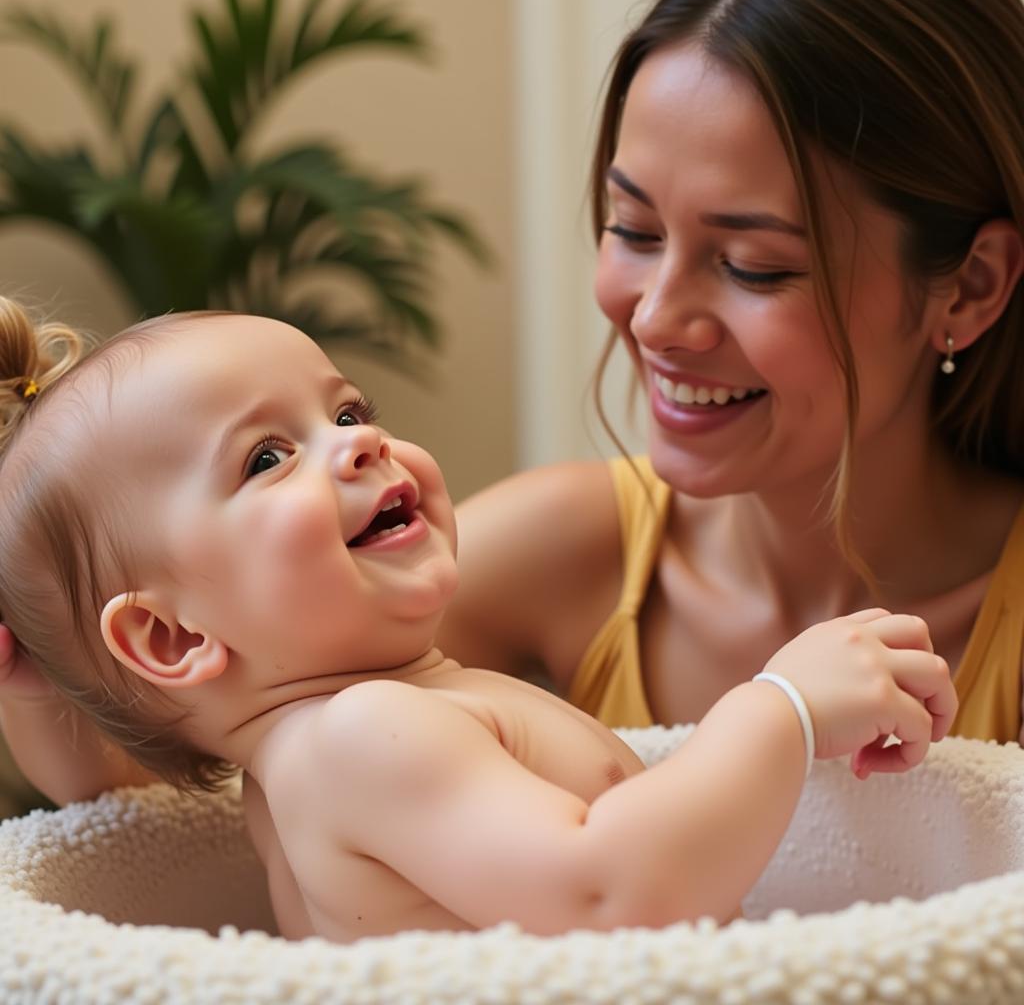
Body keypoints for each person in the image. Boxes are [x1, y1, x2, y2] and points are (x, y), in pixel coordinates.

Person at [0, 0, 1021, 797]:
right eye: (633, 230)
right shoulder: (566, 550)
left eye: (755, 264)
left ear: (969, 287)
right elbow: (186, 794)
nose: (656, 317)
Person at [0, 300, 954, 940]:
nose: (360, 441)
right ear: (172, 639)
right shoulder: (361, 737)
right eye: (265, 457)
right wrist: (778, 708)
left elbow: (124, 789)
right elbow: (610, 892)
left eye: (345, 410)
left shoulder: (350, 733)